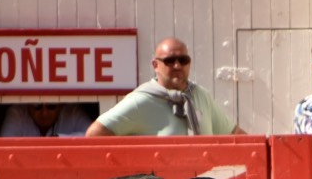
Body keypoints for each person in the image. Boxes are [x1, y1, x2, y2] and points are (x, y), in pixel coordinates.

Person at [85, 37, 245, 136]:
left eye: (183, 60)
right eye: (169, 61)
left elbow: (234, 134)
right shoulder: (141, 100)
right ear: (155, 65)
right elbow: (95, 134)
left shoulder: (199, 95)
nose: (177, 65)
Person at [0, 103, 92, 137]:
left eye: (51, 106)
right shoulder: (17, 112)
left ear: (61, 106)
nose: (44, 113)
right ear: (27, 106)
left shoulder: (71, 112)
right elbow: (4, 144)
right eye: (37, 106)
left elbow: (92, 135)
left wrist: (58, 138)